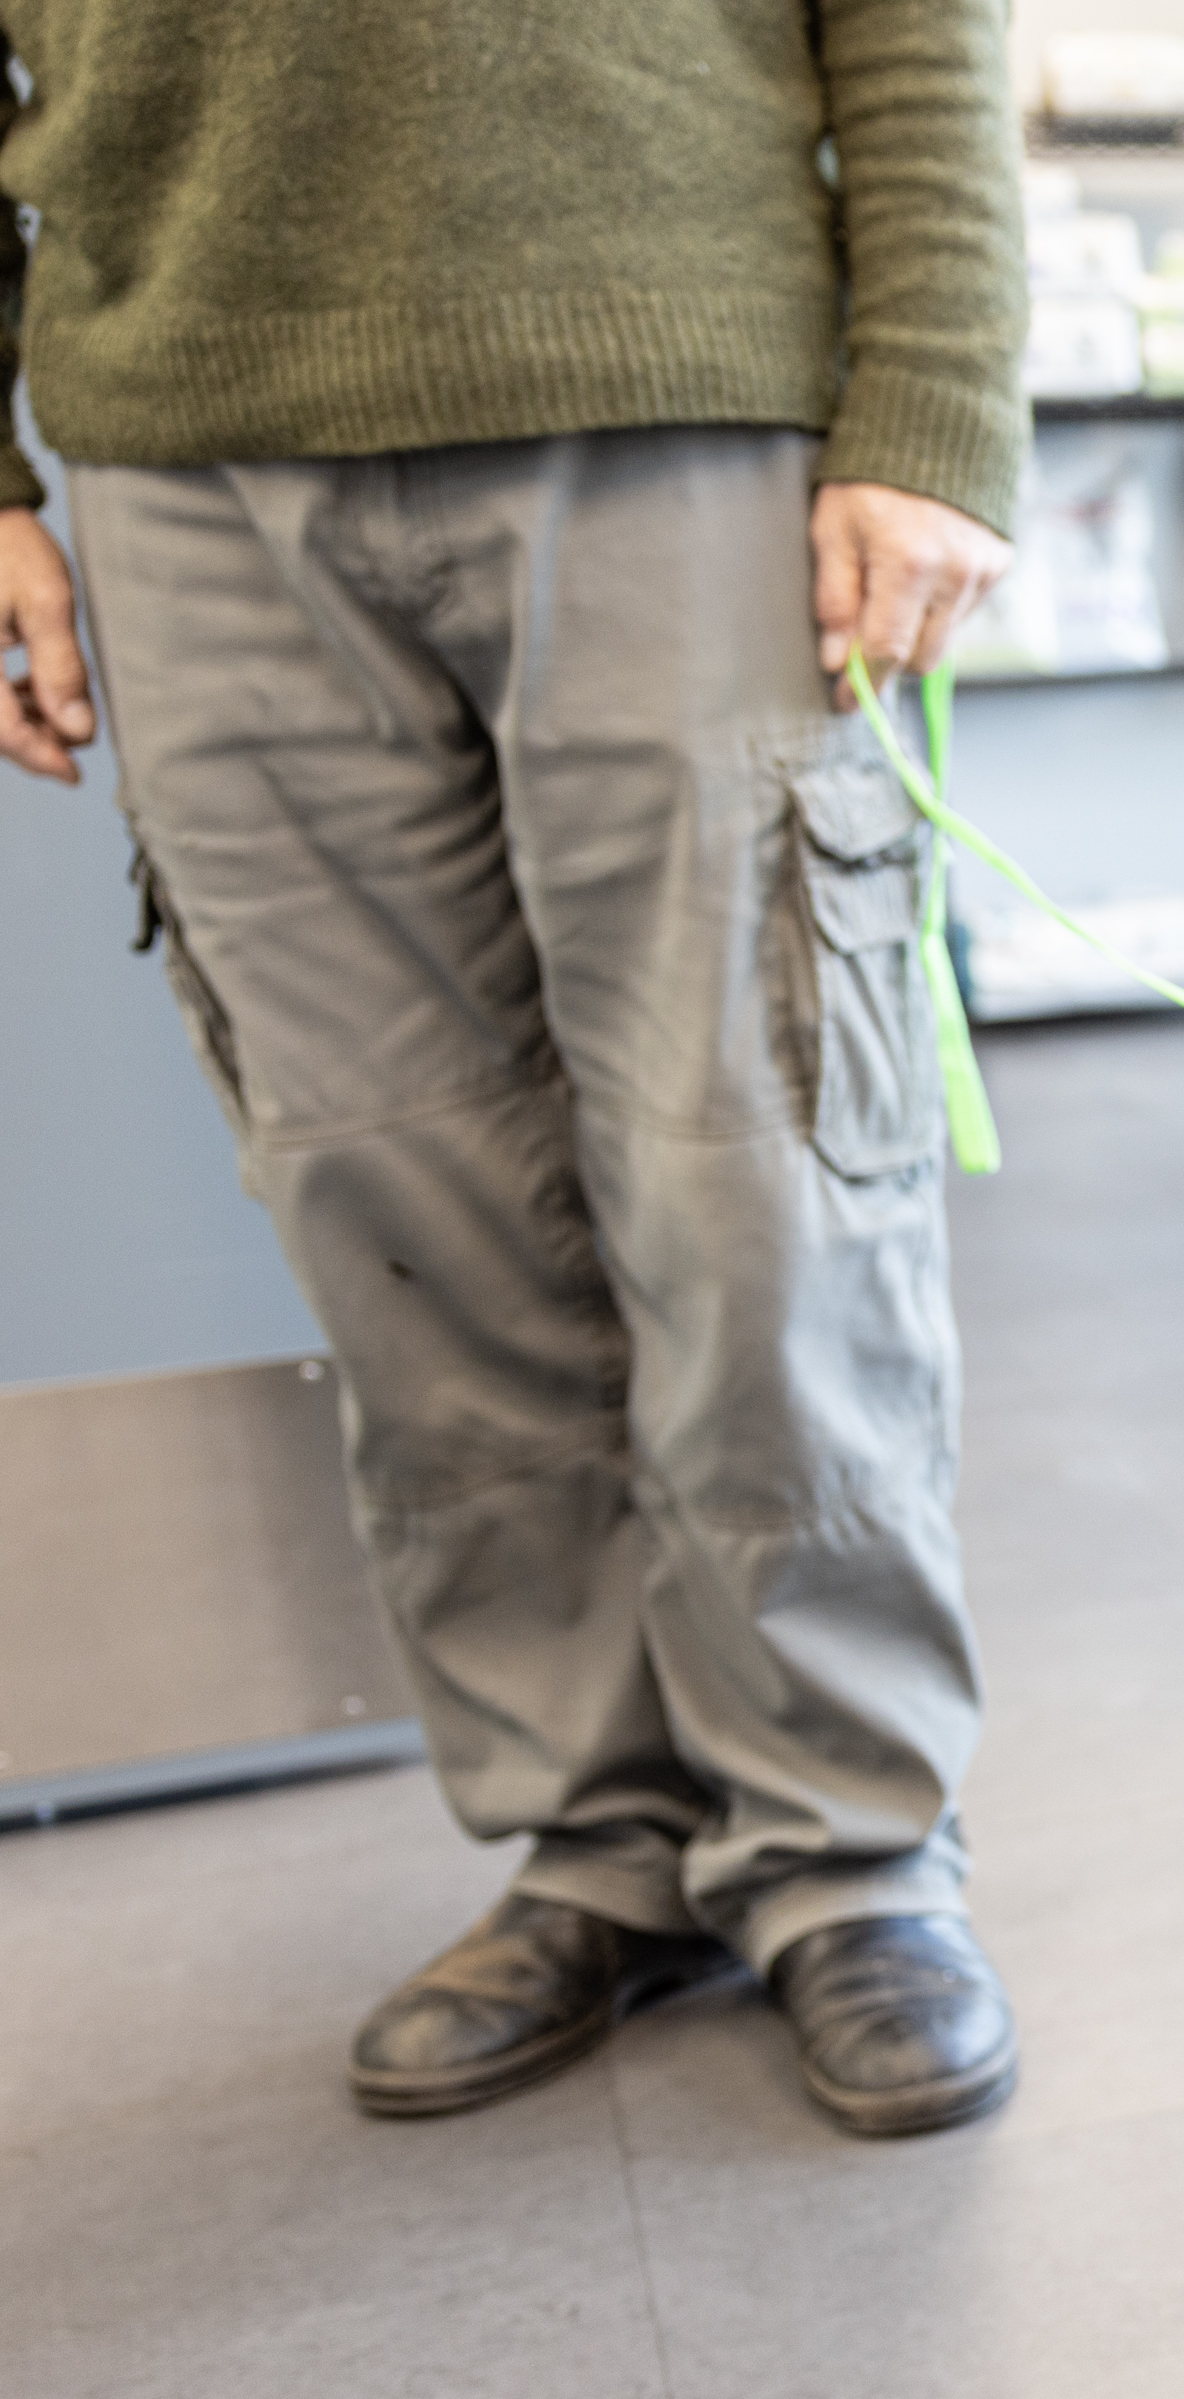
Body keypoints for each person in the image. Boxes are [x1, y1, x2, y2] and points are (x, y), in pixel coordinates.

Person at [0, 1, 1031, 2134]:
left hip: (669, 375)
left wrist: (933, 397)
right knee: (396, 1201)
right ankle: (600, 1832)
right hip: (183, 448)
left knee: (756, 1173)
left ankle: (845, 1845)